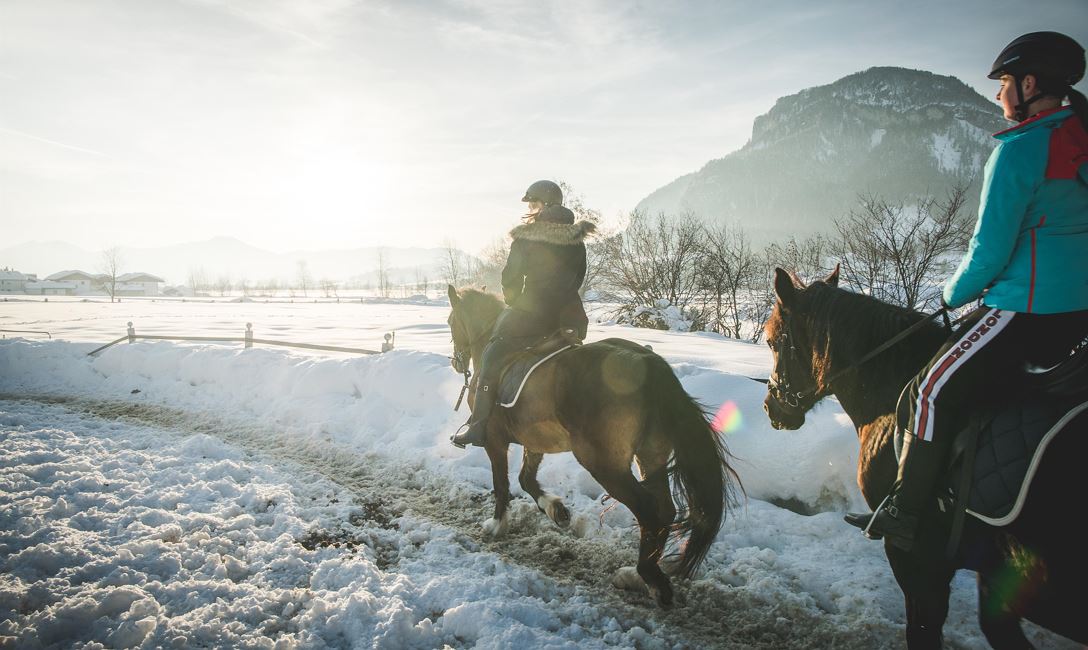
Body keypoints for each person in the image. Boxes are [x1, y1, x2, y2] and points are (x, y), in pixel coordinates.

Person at [861, 32, 1088, 552]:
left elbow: (988, 251)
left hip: (1027, 311)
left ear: (1029, 84)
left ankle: (905, 512)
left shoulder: (1021, 149)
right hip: (1079, 314)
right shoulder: (1079, 138)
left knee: (928, 392)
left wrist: (951, 294)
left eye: (1004, 82)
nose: (999, 93)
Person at [450, 180, 597, 449]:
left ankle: (478, 427)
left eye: (533, 203)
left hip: (532, 316)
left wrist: (516, 301)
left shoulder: (527, 237)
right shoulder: (576, 239)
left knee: (490, 357)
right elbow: (577, 279)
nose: (530, 209)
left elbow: (511, 278)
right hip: (569, 319)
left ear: (545, 205)